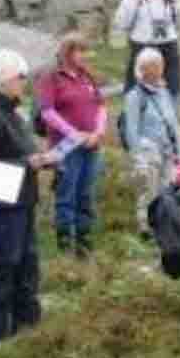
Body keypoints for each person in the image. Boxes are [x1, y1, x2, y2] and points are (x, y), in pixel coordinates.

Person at [0, 50, 56, 354]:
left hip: (23, 198)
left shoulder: (14, 112)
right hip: (2, 201)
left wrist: (42, 160)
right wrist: (27, 163)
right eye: (20, 77)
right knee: (3, 263)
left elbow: (21, 150)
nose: (24, 82)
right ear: (3, 79)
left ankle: (26, 324)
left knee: (26, 262)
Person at [36, 31, 107, 257]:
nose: (85, 56)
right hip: (65, 147)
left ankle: (84, 245)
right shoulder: (51, 78)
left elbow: (101, 107)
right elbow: (47, 112)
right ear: (68, 52)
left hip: (91, 145)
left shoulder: (88, 76)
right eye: (81, 51)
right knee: (66, 194)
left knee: (86, 193)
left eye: (87, 51)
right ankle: (65, 245)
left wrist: (98, 132)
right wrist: (74, 134)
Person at [121, 47, 180, 237]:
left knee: (168, 189)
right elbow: (131, 129)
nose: (158, 69)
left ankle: (164, 225)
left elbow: (173, 124)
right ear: (142, 70)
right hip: (148, 150)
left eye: (160, 65)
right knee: (148, 189)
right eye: (153, 66)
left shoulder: (165, 93)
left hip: (168, 149)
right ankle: (145, 226)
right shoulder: (134, 96)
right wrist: (138, 155)